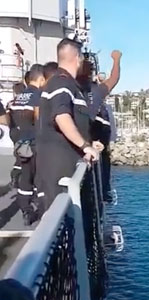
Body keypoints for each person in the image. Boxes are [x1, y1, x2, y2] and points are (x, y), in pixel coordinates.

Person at [36, 38, 99, 211]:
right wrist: (85, 146)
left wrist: (89, 141)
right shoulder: (61, 83)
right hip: (58, 166)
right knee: (60, 215)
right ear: (77, 58)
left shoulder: (70, 85)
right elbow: (61, 116)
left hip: (66, 162)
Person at [78, 50, 121, 202]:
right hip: (96, 141)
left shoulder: (73, 89)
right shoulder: (98, 90)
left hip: (81, 141)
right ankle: (104, 191)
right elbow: (114, 78)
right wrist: (116, 59)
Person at [8, 64, 44, 224]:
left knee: (25, 176)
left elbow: (10, 118)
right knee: (38, 176)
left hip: (20, 141)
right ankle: (40, 207)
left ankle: (25, 209)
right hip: (34, 142)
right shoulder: (38, 96)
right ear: (41, 79)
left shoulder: (19, 97)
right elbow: (38, 118)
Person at [6, 83, 26, 188]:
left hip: (14, 131)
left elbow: (7, 119)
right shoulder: (27, 102)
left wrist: (12, 128)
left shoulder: (11, 103)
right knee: (25, 155)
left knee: (18, 153)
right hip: (24, 131)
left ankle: (16, 176)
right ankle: (17, 175)